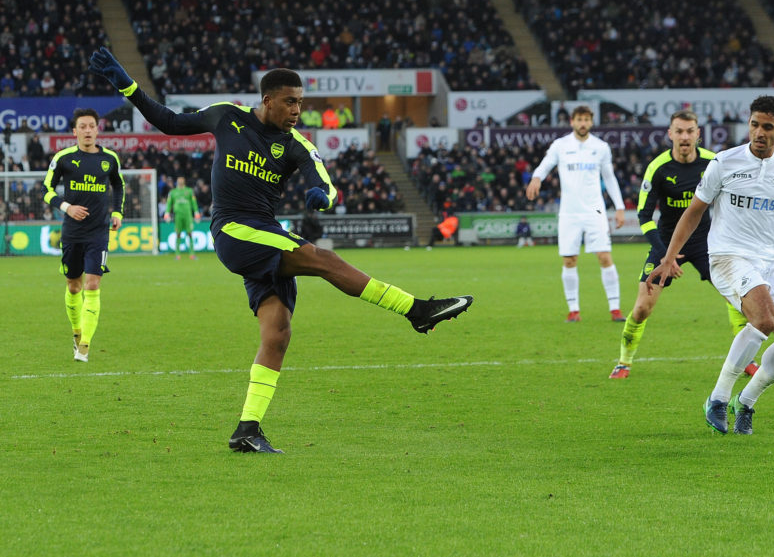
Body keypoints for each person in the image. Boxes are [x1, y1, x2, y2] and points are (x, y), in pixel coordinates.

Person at [89, 47, 473, 454]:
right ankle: (415, 310)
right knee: (324, 260)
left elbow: (323, 180)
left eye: (301, 103)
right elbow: (168, 121)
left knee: (278, 333)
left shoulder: (296, 145)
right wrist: (127, 85)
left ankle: (247, 429)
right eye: (290, 102)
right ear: (268, 99)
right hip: (234, 230)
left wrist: (319, 194)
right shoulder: (226, 116)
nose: (297, 110)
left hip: (265, 235)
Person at [646, 96, 774, 435]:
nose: (759, 133)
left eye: (767, 127)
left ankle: (745, 401)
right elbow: (694, 212)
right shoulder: (724, 162)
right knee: (764, 317)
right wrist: (669, 256)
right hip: (727, 256)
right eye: (754, 125)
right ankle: (717, 398)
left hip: (768, 259)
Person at [609, 110, 755, 379]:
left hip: (706, 243)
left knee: (738, 300)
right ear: (670, 134)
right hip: (665, 244)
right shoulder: (658, 168)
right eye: (679, 131)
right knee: (642, 309)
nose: (685, 136)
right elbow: (643, 216)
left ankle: (746, 360)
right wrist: (667, 256)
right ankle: (624, 362)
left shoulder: (715, 163)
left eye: (690, 131)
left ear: (698, 133)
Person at [526, 104, 626, 323]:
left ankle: (615, 309)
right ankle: (574, 310)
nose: (583, 123)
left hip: (594, 211)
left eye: (586, 119)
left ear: (591, 122)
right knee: (569, 260)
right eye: (579, 119)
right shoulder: (560, 145)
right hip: (569, 213)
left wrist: (619, 207)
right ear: (572, 121)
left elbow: (609, 178)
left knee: (604, 257)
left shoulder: (600, 147)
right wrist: (536, 178)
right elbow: (546, 164)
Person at [41, 107, 125, 363]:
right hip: (72, 233)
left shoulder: (110, 159)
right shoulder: (64, 158)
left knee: (93, 284)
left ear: (98, 129)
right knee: (73, 285)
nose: (88, 130)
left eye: (92, 126)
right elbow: (46, 189)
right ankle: (77, 333)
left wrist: (118, 212)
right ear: (75, 131)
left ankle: (85, 345)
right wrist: (67, 207)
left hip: (98, 232)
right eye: (83, 127)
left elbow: (119, 185)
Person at [164, 176, 200, 260]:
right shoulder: (173, 192)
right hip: (178, 215)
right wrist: (167, 213)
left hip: (188, 215)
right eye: (178, 180)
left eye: (181, 180)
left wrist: (196, 212)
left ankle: (192, 254)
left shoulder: (189, 191)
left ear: (184, 181)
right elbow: (169, 203)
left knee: (190, 233)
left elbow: (194, 202)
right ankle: (177, 255)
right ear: (177, 182)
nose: (180, 181)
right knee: (178, 234)